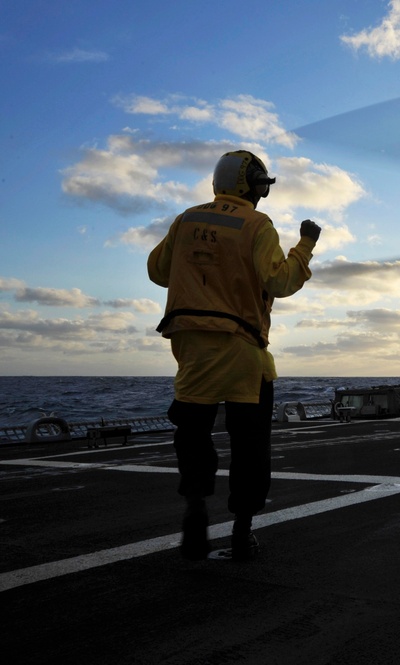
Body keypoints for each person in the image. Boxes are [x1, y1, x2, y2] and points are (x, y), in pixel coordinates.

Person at [147, 150, 321, 561]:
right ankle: (242, 532)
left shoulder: (186, 219)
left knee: (192, 436)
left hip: (191, 351)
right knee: (250, 445)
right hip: (242, 351)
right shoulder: (257, 224)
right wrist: (306, 245)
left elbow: (158, 271)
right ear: (252, 185)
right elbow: (279, 281)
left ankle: (195, 508)